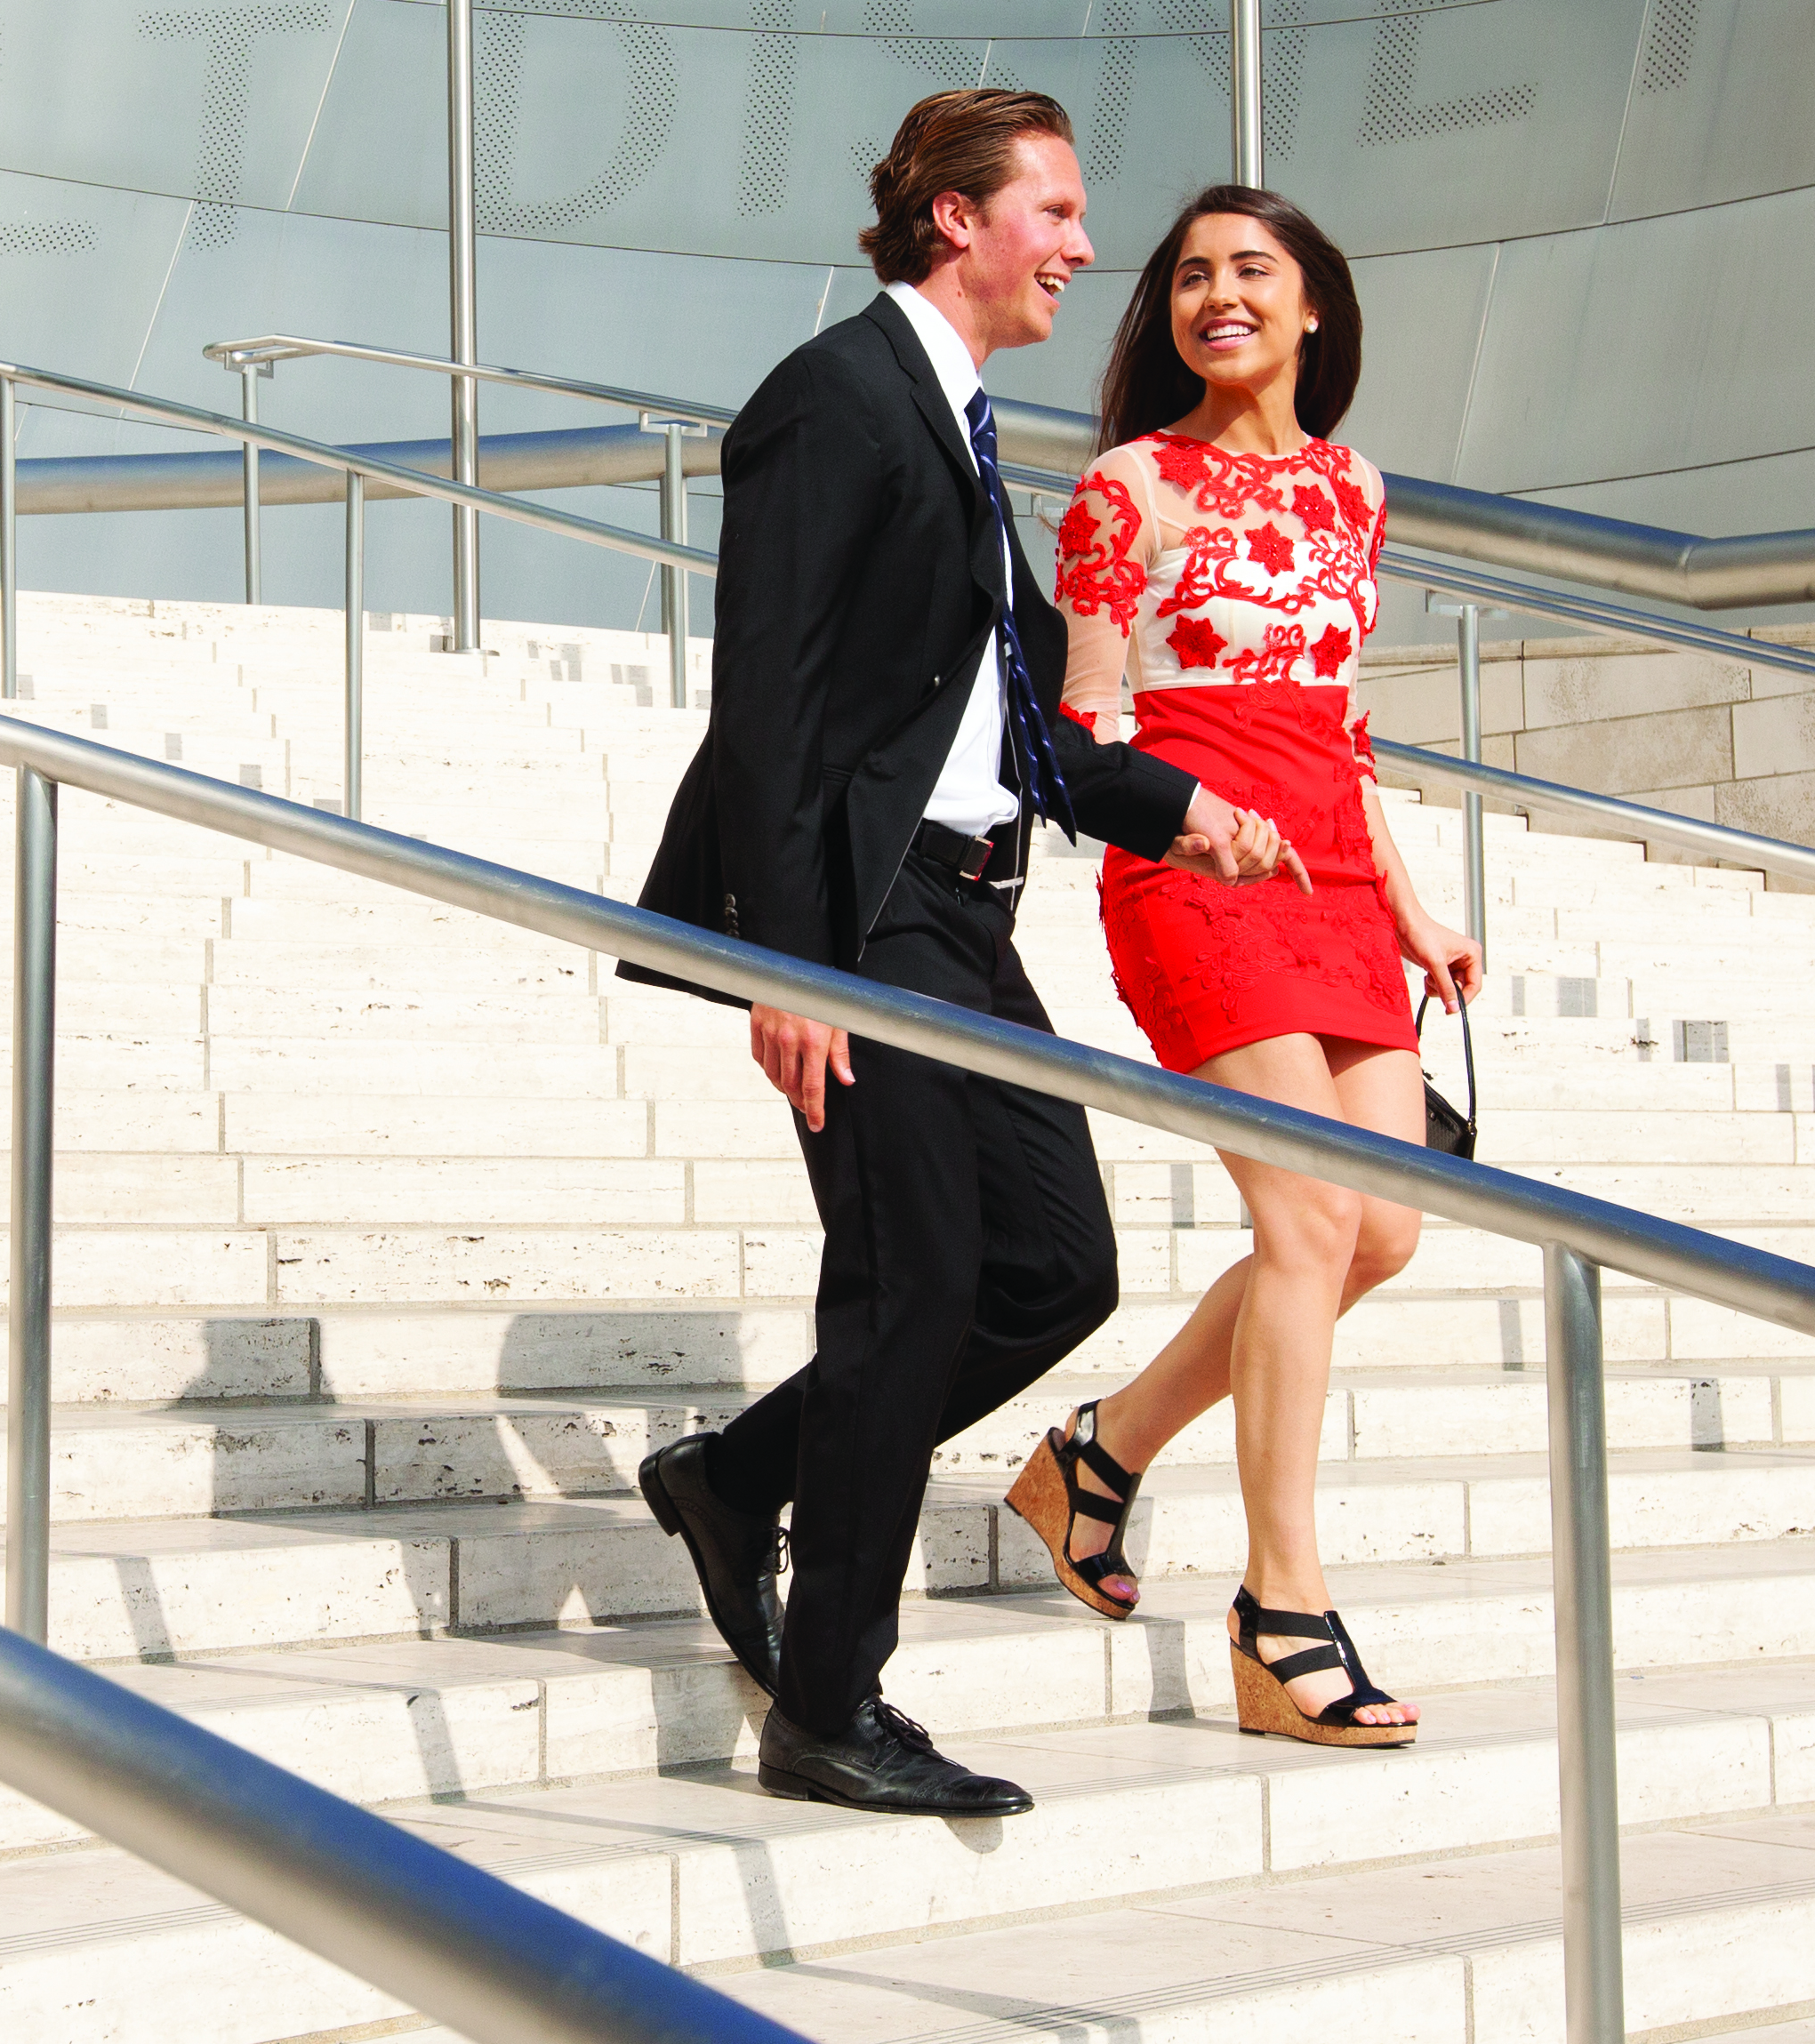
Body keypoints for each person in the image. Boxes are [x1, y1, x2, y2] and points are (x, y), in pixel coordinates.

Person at [620, 92, 1298, 1816]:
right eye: (1056, 212)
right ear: (954, 220)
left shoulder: (962, 427)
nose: (1084, 246)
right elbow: (765, 695)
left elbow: (1005, 724)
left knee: (1054, 1269)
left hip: (970, 909)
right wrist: (793, 963)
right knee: (909, 1286)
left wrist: (1179, 804)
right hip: (866, 916)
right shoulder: (835, 400)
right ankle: (830, 1703)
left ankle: (739, 1473)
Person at [1005, 183, 1482, 1749]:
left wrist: (1408, 903)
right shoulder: (1129, 490)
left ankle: (1100, 1452)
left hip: (1336, 877)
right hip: (1195, 873)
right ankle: (1284, 1614)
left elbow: (1342, 725)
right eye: (1192, 275)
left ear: (1313, 305)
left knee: (1383, 1236)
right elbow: (1075, 735)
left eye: (1252, 270)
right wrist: (1187, 820)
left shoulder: (1354, 489)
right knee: (1308, 1216)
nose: (1220, 295)